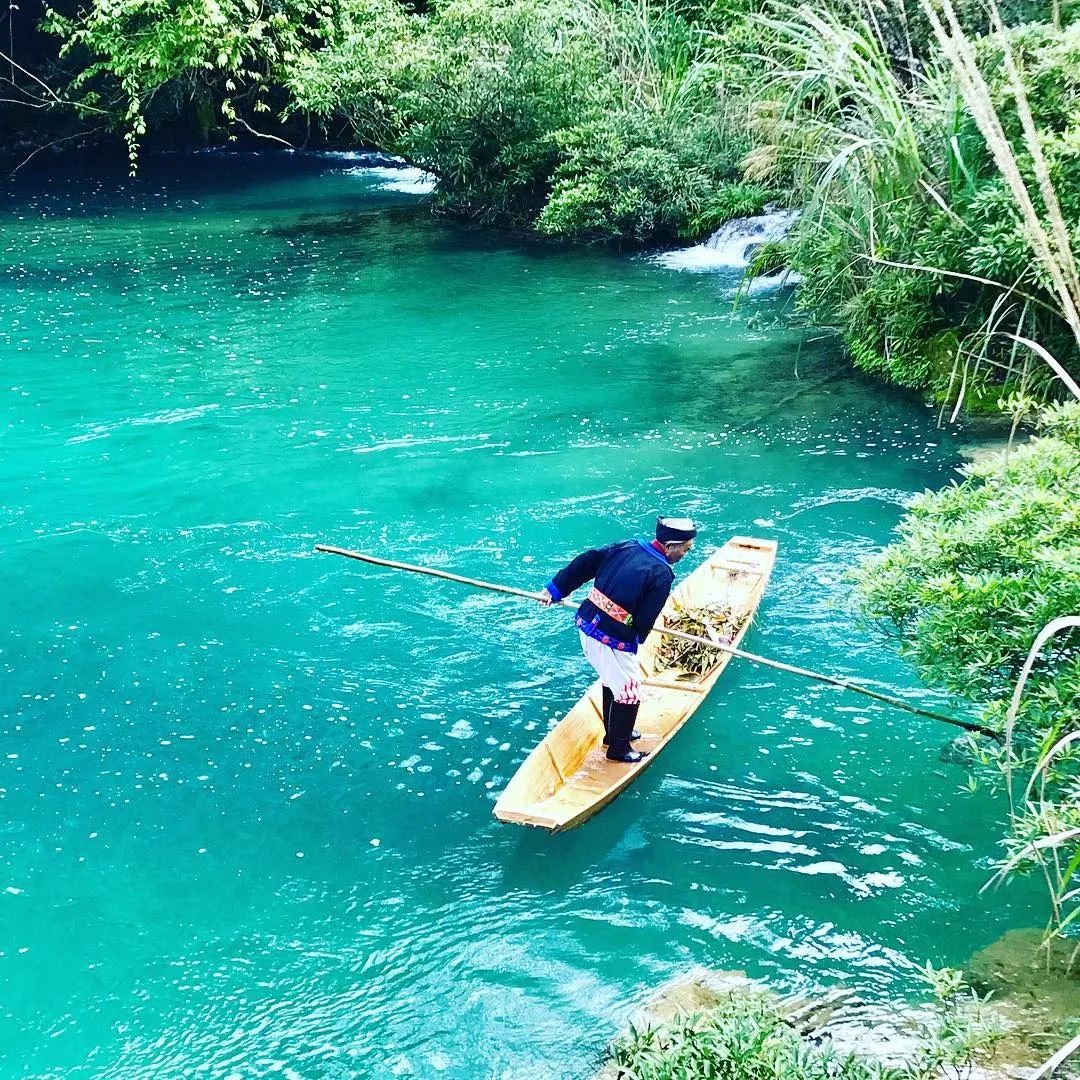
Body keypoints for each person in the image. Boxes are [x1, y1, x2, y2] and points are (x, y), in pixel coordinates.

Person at [539, 517, 698, 763]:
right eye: (685, 549)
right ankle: (619, 749)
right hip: (611, 638)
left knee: (612, 681)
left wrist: (556, 589)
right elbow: (646, 618)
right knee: (630, 691)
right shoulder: (661, 573)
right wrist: (639, 638)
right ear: (670, 546)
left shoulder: (628, 545)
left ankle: (613, 735)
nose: (686, 554)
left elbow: (586, 562)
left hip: (586, 623)